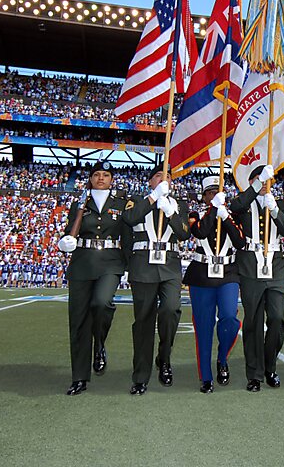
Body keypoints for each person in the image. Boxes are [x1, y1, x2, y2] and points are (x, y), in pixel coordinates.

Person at [57, 160, 129, 396]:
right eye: (96, 174)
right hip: (82, 263)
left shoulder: (122, 201)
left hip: (110, 261)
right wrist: (65, 240)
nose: (100, 178)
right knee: (78, 321)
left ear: (111, 179)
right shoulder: (79, 202)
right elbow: (71, 230)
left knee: (102, 302)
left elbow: (127, 233)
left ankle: (99, 343)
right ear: (90, 178)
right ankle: (79, 377)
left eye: (105, 175)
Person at [122, 165, 190, 395]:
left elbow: (183, 233)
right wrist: (152, 198)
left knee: (171, 310)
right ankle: (140, 375)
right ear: (151, 182)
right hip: (143, 265)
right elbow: (129, 218)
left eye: (168, 176)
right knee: (143, 321)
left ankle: (164, 357)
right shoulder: (136, 200)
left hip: (169, 265)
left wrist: (170, 212)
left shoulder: (179, 205)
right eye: (159, 176)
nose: (164, 179)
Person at [229, 164, 284, 392]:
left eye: (267, 180)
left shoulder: (279, 203)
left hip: (275, 264)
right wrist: (256, 187)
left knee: (277, 319)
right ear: (251, 182)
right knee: (253, 321)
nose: (265, 183)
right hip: (250, 265)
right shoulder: (244, 204)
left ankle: (270, 365)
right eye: (259, 179)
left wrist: (275, 210)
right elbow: (235, 206)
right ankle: (254, 373)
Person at [183, 176, 245, 394]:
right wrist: (212, 211)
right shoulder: (195, 215)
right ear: (204, 196)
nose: (213, 196)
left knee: (229, 317)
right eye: (209, 193)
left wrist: (225, 217)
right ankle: (206, 377)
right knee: (203, 326)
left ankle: (222, 358)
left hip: (227, 273)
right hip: (201, 275)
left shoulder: (233, 215)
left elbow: (240, 242)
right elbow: (199, 231)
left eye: (216, 193)